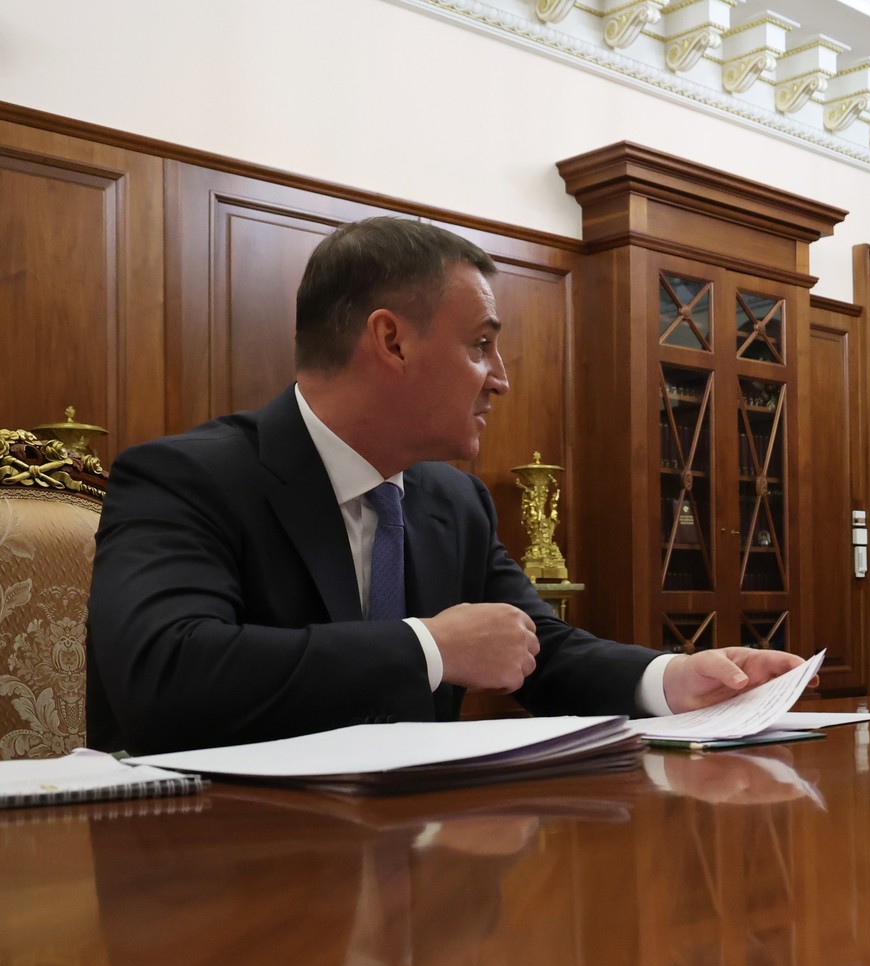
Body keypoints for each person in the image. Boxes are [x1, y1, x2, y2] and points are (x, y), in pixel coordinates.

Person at [87, 217, 807, 754]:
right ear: (392, 341)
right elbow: (163, 677)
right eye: (481, 345)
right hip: (226, 870)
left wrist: (673, 679)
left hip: (422, 865)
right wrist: (427, 647)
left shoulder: (453, 501)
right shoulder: (184, 478)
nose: (501, 378)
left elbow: (535, 649)